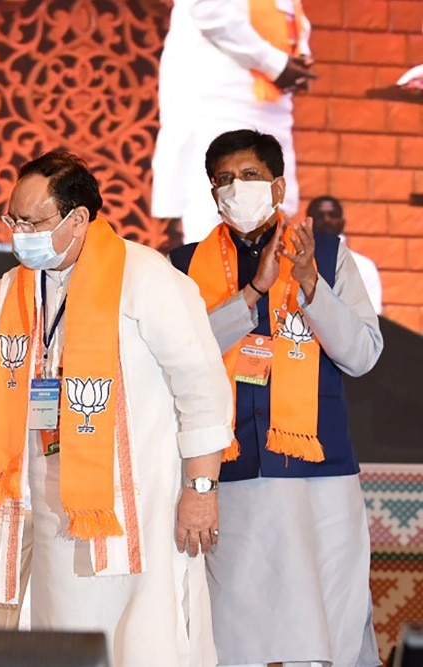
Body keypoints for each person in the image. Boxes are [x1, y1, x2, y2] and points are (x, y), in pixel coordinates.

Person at [0, 151, 234, 666]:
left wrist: (201, 490)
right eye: (13, 219)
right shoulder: (14, 289)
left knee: (144, 643)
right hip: (54, 507)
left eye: (32, 221)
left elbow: (202, 388)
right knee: (64, 640)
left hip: (139, 508)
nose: (18, 232)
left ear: (78, 219)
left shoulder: (146, 277)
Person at [170, 129, 383, 667]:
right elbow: (178, 358)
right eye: (222, 180)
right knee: (235, 632)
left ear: (279, 184)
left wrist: (310, 284)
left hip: (319, 478)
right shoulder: (182, 266)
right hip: (229, 474)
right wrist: (253, 293)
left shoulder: (330, 255)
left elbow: (362, 355)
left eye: (249, 176)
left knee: (322, 624)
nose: (235, 189)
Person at [152, 0, 314, 245]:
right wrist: (276, 63)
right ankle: (209, 281)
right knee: (218, 202)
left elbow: (290, 15)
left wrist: (298, 57)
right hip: (220, 99)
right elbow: (209, 10)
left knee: (276, 203)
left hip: (272, 105)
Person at [306, 195, 383, 314]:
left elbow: (372, 314)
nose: (327, 220)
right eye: (320, 216)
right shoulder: (297, 262)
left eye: (333, 215)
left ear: (342, 221)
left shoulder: (364, 266)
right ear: (308, 221)